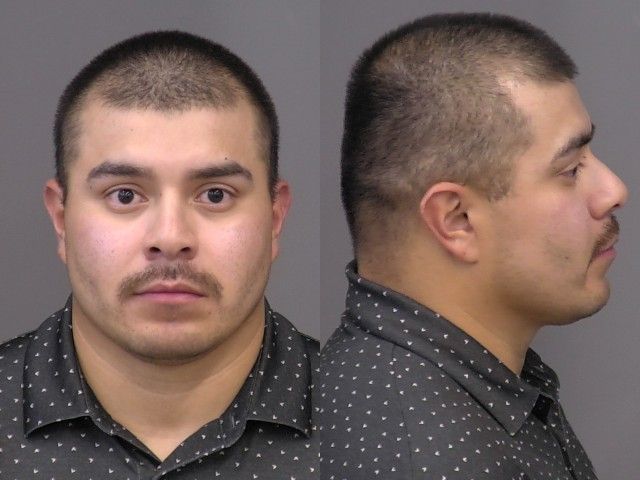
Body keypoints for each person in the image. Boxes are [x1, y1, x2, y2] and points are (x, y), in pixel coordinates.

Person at [318, 13, 626, 480]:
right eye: (570, 170)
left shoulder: (465, 390)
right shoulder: (425, 459)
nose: (614, 190)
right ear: (456, 220)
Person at [0, 31, 318, 478]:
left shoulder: (378, 419)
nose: (170, 238)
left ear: (275, 217)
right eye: (125, 195)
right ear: (61, 218)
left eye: (215, 194)